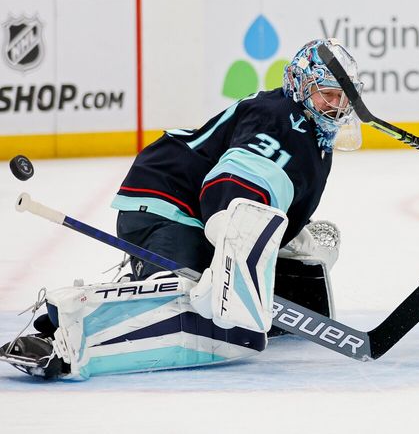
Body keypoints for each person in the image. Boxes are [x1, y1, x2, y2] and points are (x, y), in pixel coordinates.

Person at [0, 39, 362, 380]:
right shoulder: (280, 118)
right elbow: (232, 184)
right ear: (300, 85)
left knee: (208, 301)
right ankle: (67, 336)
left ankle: (133, 290)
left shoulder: (313, 135)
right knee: (188, 303)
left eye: (342, 97)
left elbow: (270, 198)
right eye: (327, 94)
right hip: (168, 201)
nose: (336, 105)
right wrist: (232, 251)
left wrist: (291, 239)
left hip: (190, 208)